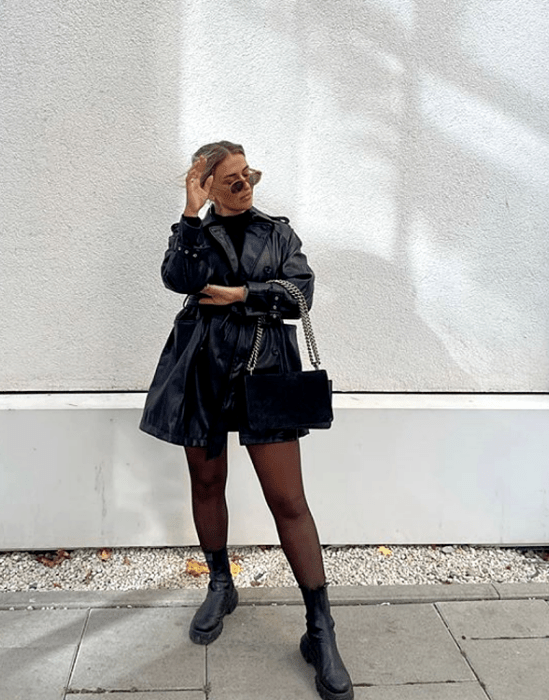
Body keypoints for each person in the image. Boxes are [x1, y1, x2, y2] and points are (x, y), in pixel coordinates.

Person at [140, 141, 353, 700]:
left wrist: (241, 293)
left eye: (249, 174)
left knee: (289, 500)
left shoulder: (279, 233)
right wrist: (190, 213)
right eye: (231, 179)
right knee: (207, 481)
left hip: (266, 367)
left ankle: (320, 628)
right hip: (202, 368)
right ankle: (219, 583)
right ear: (207, 184)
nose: (246, 185)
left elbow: (300, 292)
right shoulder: (194, 231)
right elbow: (177, 278)